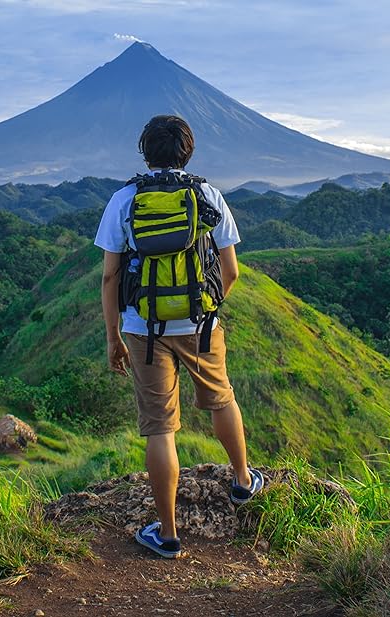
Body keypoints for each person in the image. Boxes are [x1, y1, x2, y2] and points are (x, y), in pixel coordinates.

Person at [94, 114, 264, 559]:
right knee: (222, 398)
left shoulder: (124, 199)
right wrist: (206, 308)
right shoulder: (207, 194)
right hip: (201, 325)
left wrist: (114, 336)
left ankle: (168, 535)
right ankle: (243, 482)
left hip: (142, 328)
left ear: (145, 151)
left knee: (160, 427)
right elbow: (231, 271)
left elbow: (111, 277)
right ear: (188, 151)